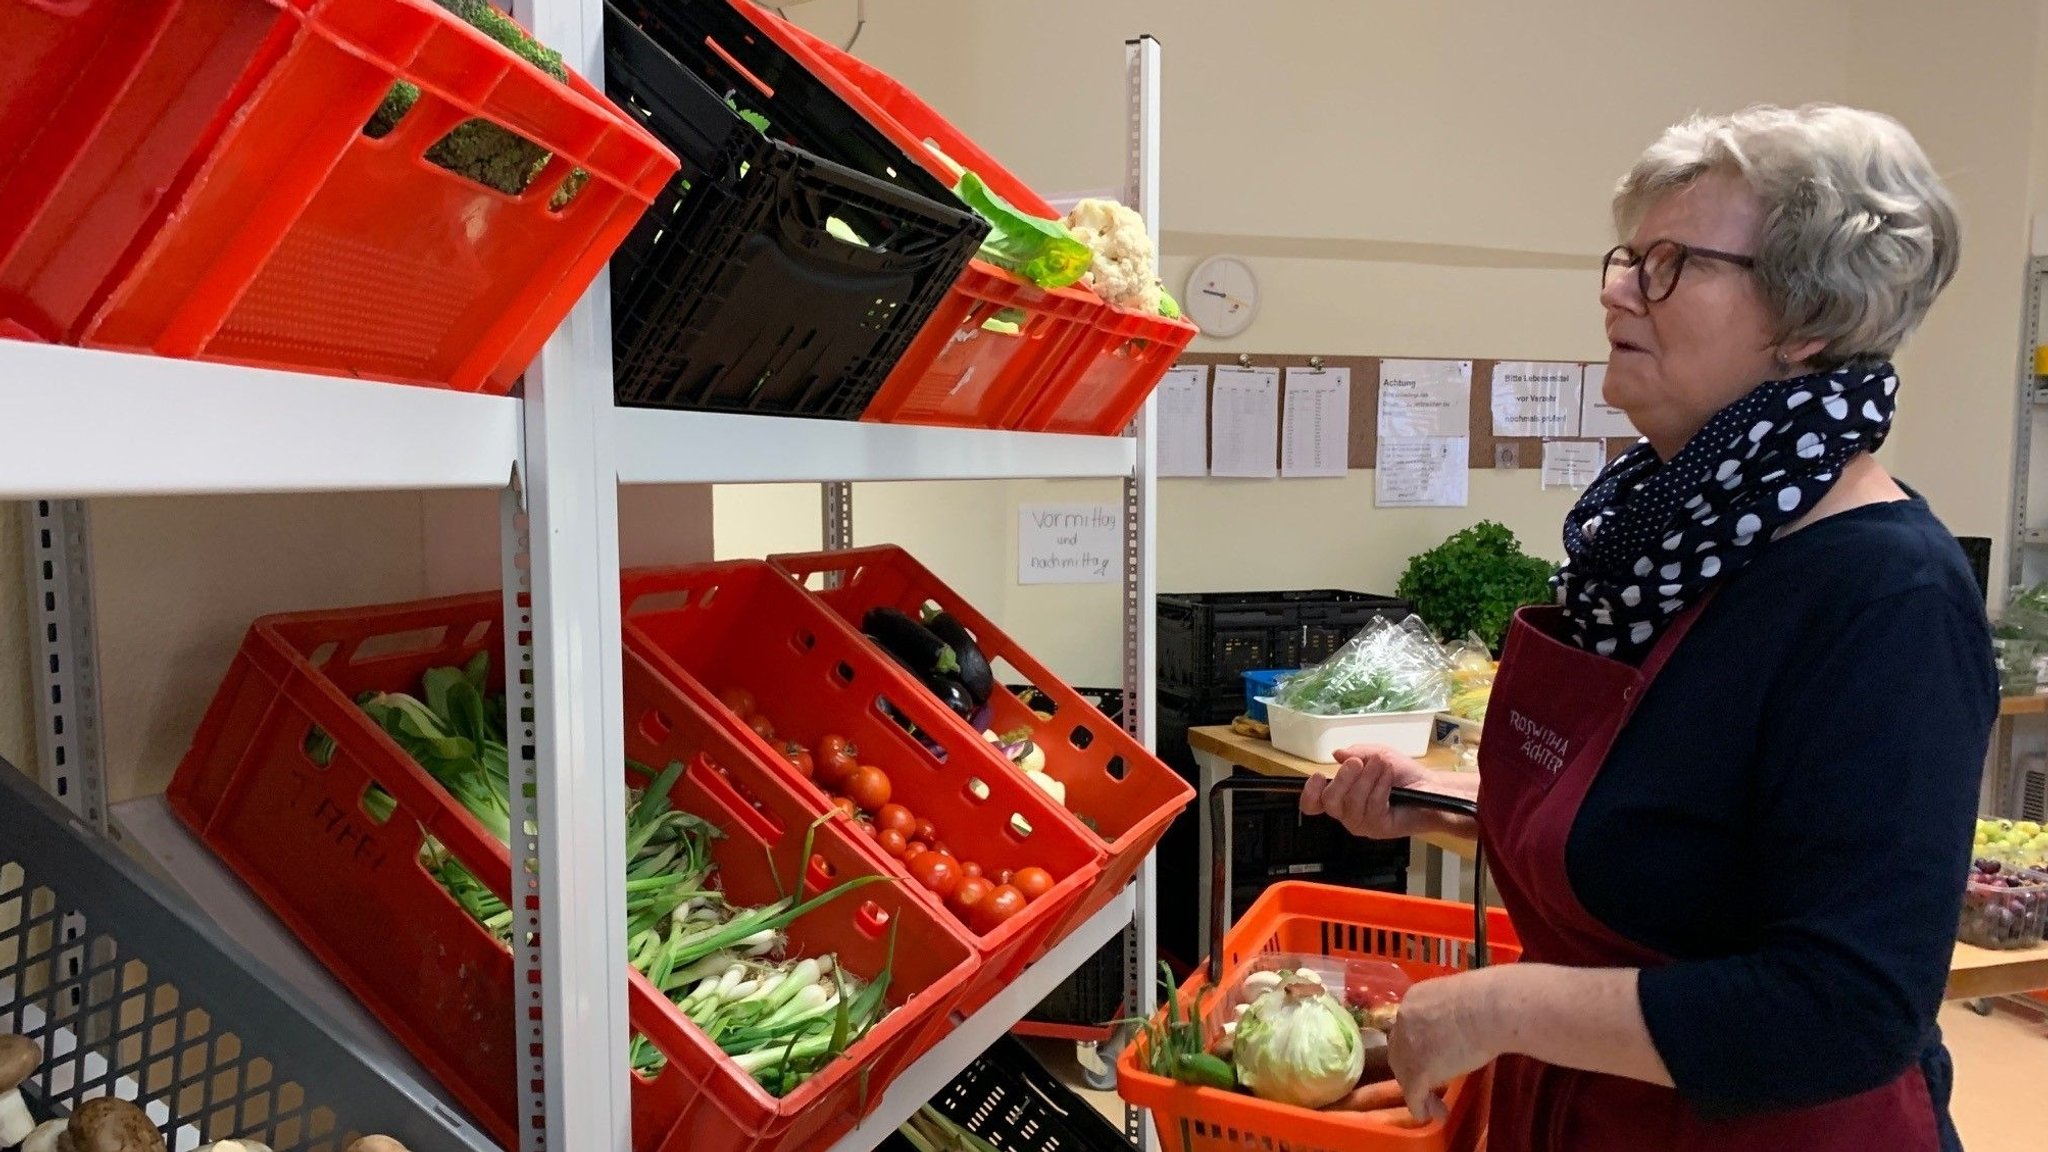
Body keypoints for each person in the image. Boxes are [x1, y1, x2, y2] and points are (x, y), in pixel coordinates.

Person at [1303, 104, 1993, 1152]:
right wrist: (1445, 806)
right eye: (1628, 255)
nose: (1615, 288)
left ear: (1808, 317)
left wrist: (1498, 1007)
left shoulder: (1883, 597)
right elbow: (1678, 838)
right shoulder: (1669, 537)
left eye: (1670, 264)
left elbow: (1843, 1007)